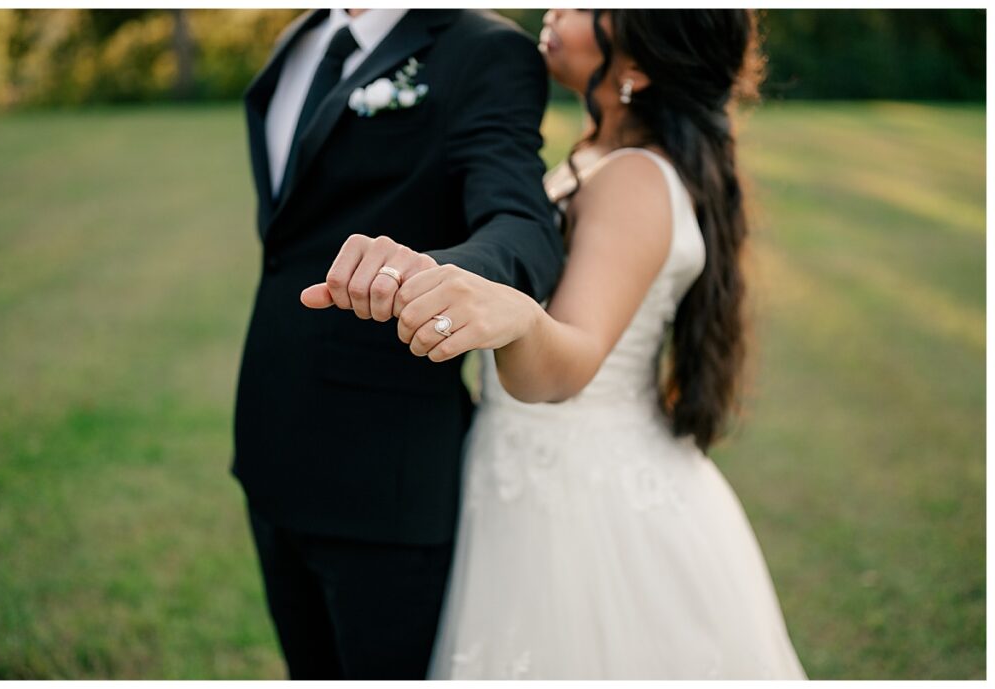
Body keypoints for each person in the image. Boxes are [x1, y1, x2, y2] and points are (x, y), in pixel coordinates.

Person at [305, 7, 806, 680]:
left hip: (582, 501)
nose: (557, 11)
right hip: (521, 463)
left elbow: (571, 355)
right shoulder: (598, 157)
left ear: (635, 67)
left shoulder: (632, 180)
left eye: (591, 10)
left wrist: (515, 316)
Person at [233, 8, 563, 680]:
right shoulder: (302, 36)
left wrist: (448, 277)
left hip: (382, 476)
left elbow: (521, 222)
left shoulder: (485, 51)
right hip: (270, 443)